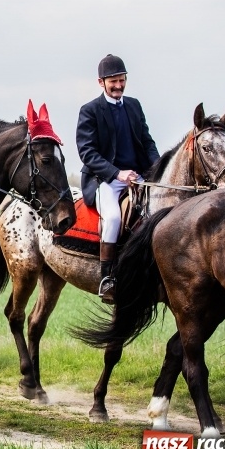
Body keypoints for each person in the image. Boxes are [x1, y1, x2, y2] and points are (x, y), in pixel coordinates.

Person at [76, 54, 160, 303]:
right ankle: (107, 277)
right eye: (113, 81)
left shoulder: (134, 105)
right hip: (105, 180)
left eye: (121, 80)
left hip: (138, 178)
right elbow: (87, 152)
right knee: (112, 217)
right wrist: (117, 173)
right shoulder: (90, 111)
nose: (118, 86)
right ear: (100, 82)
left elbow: (147, 142)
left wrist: (158, 169)